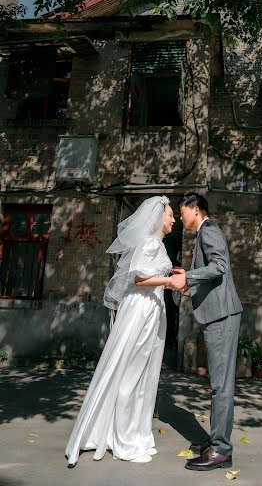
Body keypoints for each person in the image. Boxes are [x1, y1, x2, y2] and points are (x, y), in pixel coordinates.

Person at [65, 196, 175, 467]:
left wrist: (169, 283)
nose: (173, 219)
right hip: (141, 310)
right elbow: (138, 278)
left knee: (143, 375)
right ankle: (124, 440)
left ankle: (136, 435)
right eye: (170, 214)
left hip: (152, 309)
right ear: (159, 217)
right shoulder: (149, 243)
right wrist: (170, 281)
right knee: (131, 373)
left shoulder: (156, 244)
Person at [169, 192, 243, 471]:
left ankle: (221, 450)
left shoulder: (209, 231)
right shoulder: (204, 233)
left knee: (220, 386)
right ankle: (217, 442)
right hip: (218, 315)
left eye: (182, 211)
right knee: (218, 384)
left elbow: (220, 267)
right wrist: (185, 277)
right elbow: (209, 274)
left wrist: (188, 276)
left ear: (195, 209)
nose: (179, 217)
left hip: (222, 317)